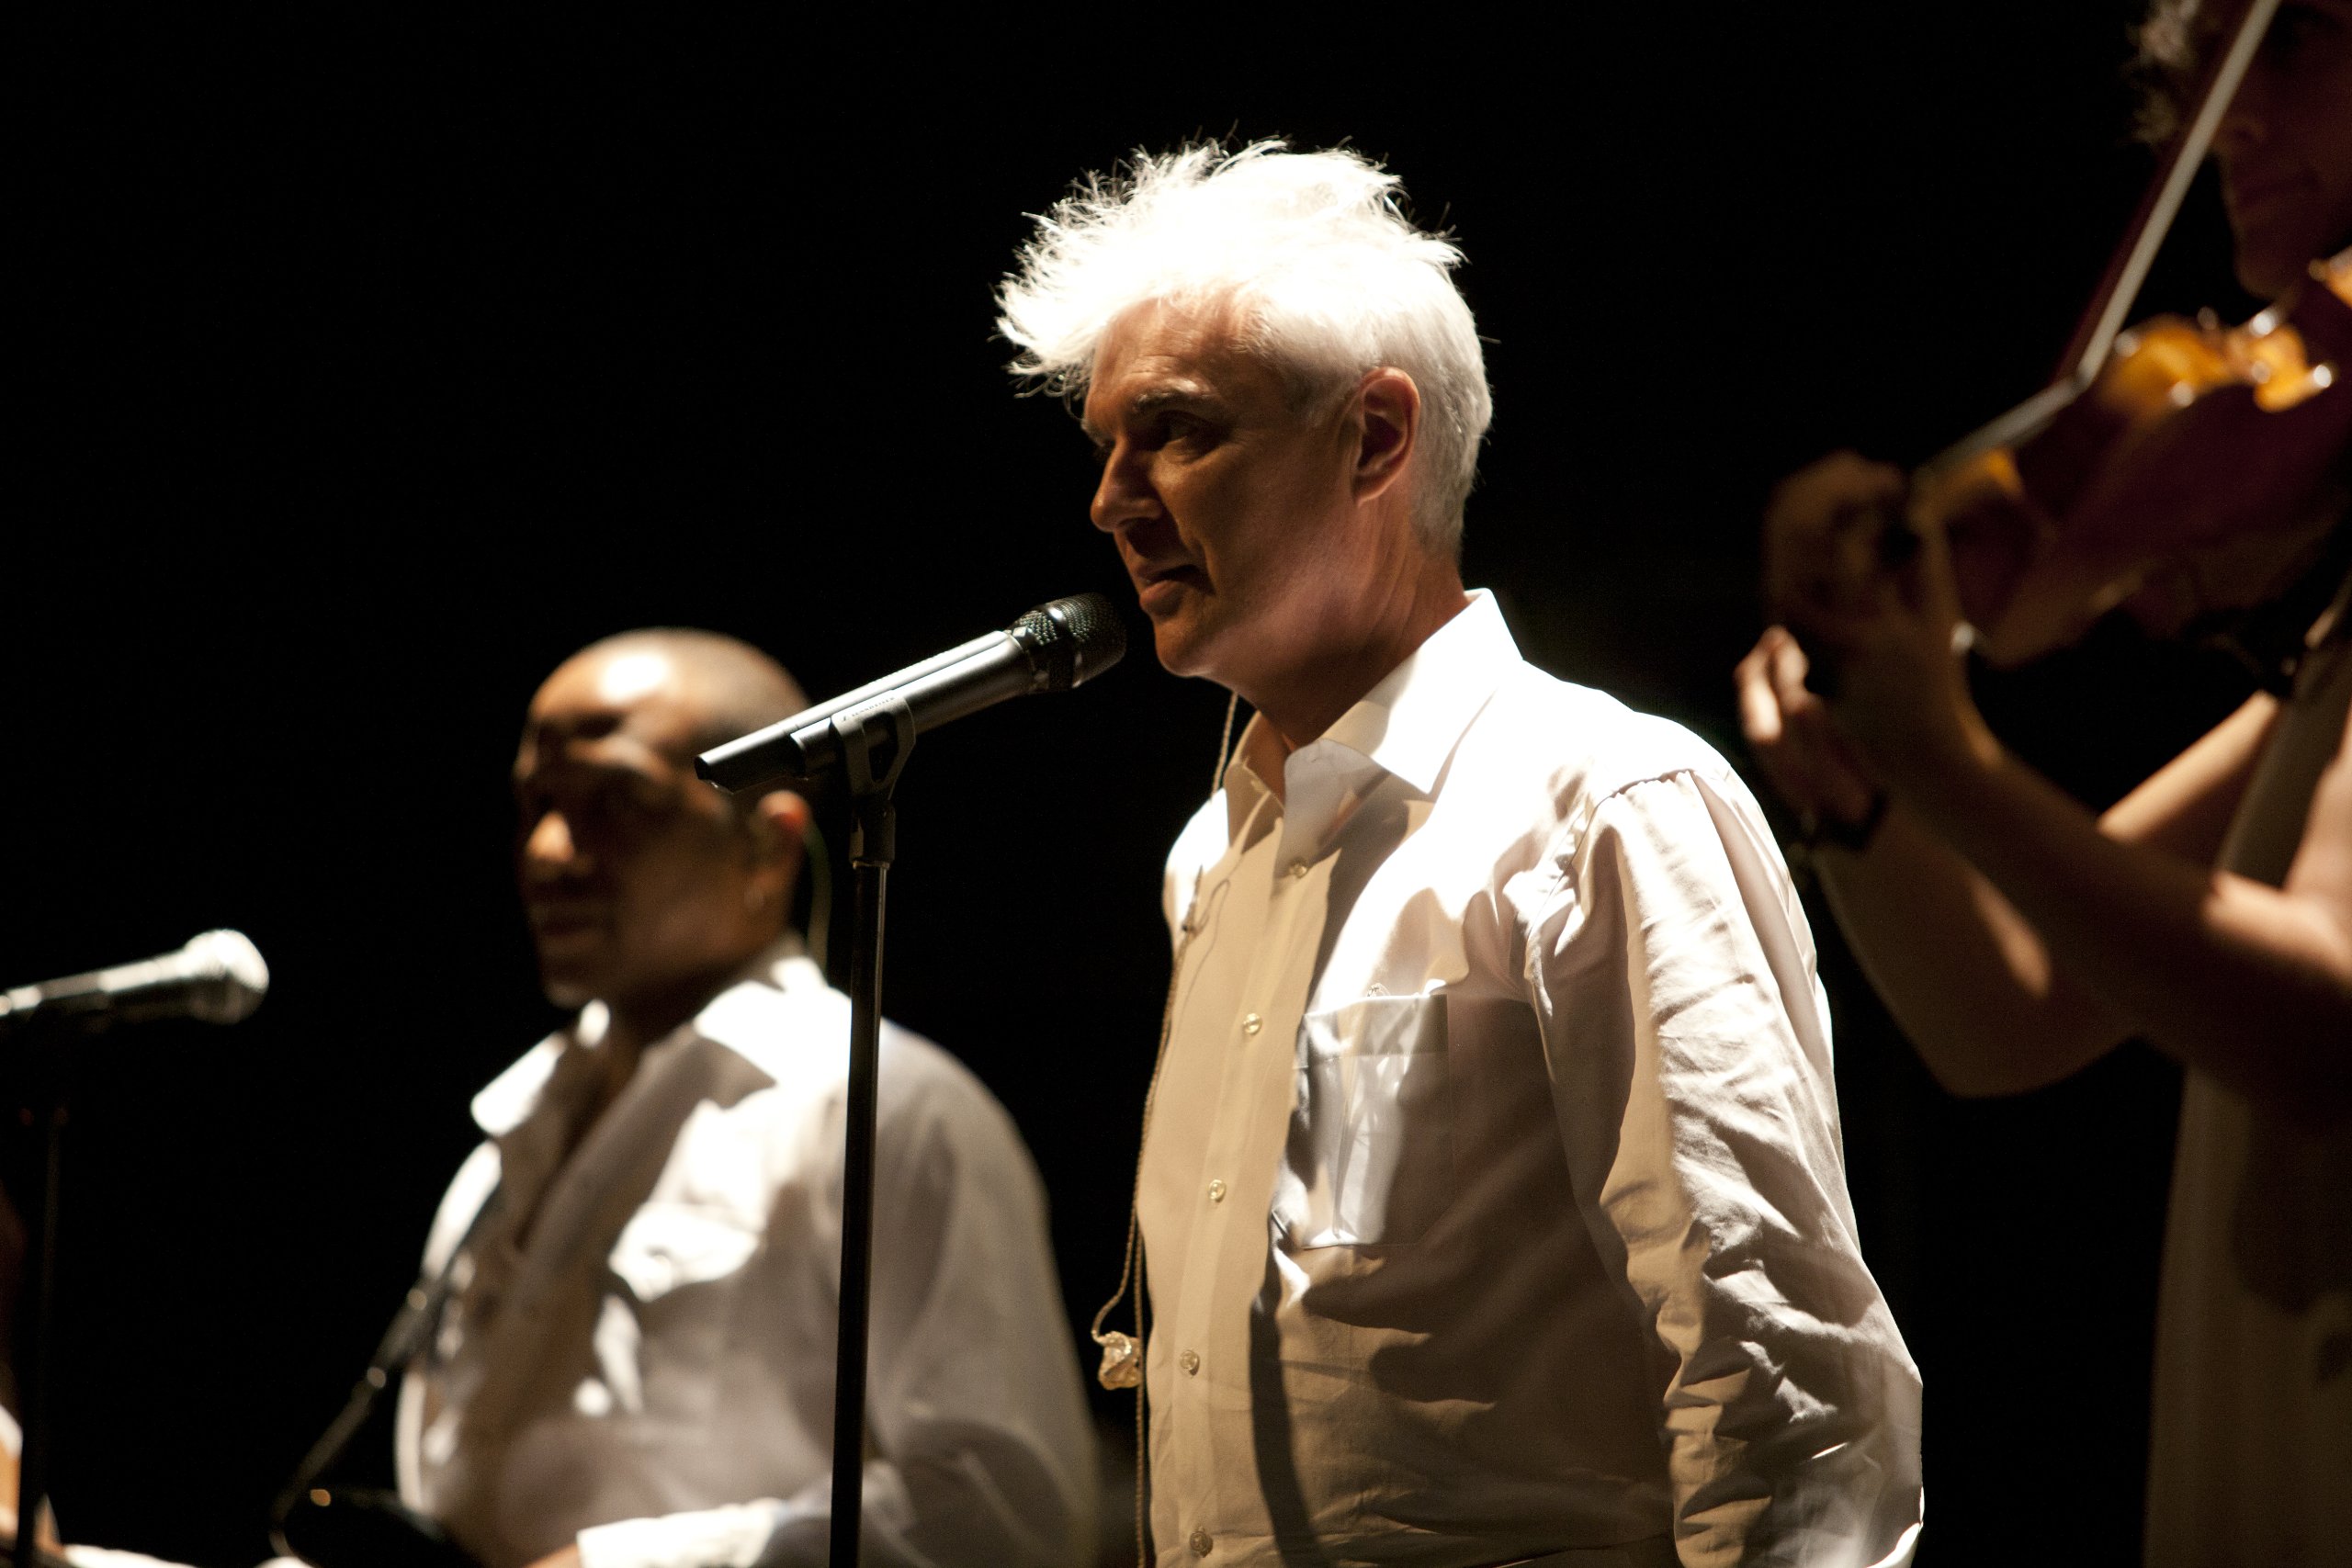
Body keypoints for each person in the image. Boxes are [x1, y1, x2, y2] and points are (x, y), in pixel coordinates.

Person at [1000, 144, 1922, 1567]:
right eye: (1106, 443)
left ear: (1375, 438)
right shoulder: (1213, 851)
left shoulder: (1603, 801)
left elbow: (1785, 1385)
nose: (1112, 499)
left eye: (1175, 430)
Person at [1733, 4, 2352, 1562]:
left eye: (2296, 41)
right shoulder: (2325, 670)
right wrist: (1870, 797)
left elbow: (2326, 1029)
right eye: (2210, 74)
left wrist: (1954, 757)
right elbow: (2004, 1018)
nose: (2227, 119)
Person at [385, 629, 1094, 1568]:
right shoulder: (516, 1121)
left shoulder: (882, 1106)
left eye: (616, 802)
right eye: (537, 804)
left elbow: (1010, 1513)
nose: (551, 850)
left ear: (767, 842)